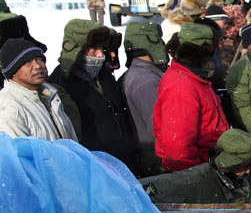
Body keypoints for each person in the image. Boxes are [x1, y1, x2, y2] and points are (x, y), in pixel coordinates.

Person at [47, 19, 136, 169]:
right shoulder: (59, 85)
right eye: (94, 50)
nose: (100, 55)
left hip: (122, 162)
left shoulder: (103, 76)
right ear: (77, 50)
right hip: (93, 166)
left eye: (102, 49)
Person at [154, 22, 229, 172]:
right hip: (194, 172)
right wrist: (197, 176)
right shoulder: (182, 86)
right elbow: (178, 146)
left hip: (206, 164)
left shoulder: (192, 78)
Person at [139, 129, 251, 204]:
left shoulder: (240, 182)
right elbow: (139, 189)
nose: (248, 171)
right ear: (228, 164)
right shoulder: (192, 182)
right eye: (242, 167)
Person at [0, 38, 77, 141]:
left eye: (39, 59)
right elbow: (19, 154)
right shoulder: (10, 108)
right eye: (27, 62)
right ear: (12, 71)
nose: (37, 66)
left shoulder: (50, 95)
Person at [120, 22, 170, 176]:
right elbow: (160, 126)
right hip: (158, 156)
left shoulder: (141, 74)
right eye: (158, 39)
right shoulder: (146, 80)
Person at [219, 0, 250, 71]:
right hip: (228, 47)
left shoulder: (242, 7)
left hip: (239, 46)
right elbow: (223, 28)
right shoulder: (227, 10)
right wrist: (238, 30)